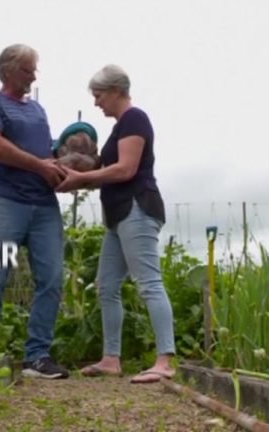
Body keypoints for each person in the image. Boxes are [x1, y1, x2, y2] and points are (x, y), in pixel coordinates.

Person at [56, 64, 176, 384]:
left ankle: (165, 360)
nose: (96, 103)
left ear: (117, 91)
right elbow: (104, 175)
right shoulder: (118, 127)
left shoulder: (135, 119)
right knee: (107, 286)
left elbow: (125, 170)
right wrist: (73, 174)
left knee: (148, 282)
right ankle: (111, 359)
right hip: (118, 216)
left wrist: (82, 177)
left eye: (99, 95)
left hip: (137, 207)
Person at [0, 43, 70, 379]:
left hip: (44, 205)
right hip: (5, 201)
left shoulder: (38, 110)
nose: (34, 75)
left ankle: (37, 357)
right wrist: (40, 167)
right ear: (9, 70)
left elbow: (46, 152)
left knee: (53, 279)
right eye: (28, 70)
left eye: (34, 69)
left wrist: (68, 158)